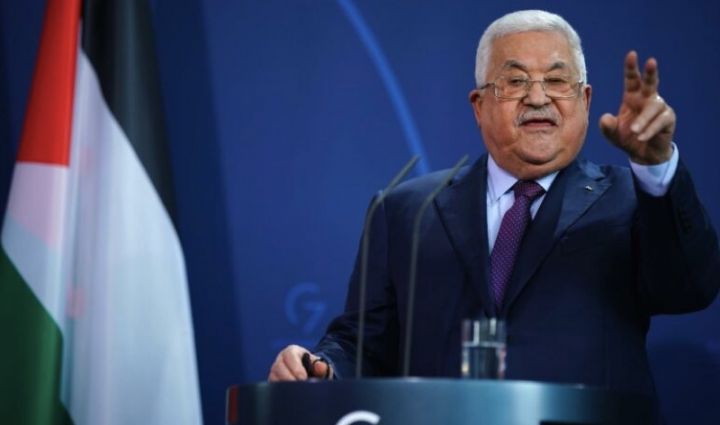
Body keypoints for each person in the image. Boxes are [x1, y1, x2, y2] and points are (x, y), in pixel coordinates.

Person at [268, 9, 720, 402]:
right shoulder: (405, 211)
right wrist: (321, 367)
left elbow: (690, 289)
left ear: (584, 101)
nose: (538, 98)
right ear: (479, 105)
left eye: (557, 81)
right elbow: (364, 342)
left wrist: (656, 167)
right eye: (515, 81)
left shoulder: (633, 201)